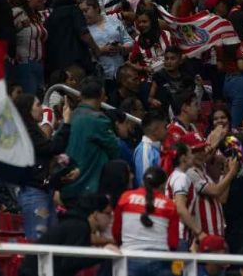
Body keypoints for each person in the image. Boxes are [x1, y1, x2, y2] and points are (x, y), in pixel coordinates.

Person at [15, 94, 74, 240]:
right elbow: (53, 147)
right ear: (27, 110)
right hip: (34, 194)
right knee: (39, 239)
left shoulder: (34, 130)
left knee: (51, 239)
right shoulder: (25, 132)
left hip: (44, 192)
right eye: (37, 105)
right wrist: (66, 122)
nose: (42, 109)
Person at [19, 193, 114, 276]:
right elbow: (72, 261)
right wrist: (102, 254)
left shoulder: (74, 223)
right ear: (96, 214)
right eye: (108, 214)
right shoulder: (79, 227)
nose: (111, 219)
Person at [61, 76, 119, 206]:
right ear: (102, 95)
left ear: (80, 95)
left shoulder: (69, 117)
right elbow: (115, 150)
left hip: (66, 189)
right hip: (89, 190)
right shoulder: (98, 120)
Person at [114, 166, 178, 276]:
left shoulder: (125, 198)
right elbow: (173, 242)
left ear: (143, 181)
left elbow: (116, 231)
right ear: (163, 185)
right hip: (160, 260)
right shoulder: (169, 204)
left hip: (129, 258)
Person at [11, 0, 48, 95]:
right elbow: (6, 32)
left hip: (39, 64)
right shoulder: (17, 12)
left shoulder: (37, 16)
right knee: (29, 100)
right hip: (25, 64)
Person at [133, 110, 167, 186]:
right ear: (155, 131)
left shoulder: (156, 148)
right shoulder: (144, 151)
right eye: (165, 127)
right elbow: (145, 183)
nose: (167, 130)